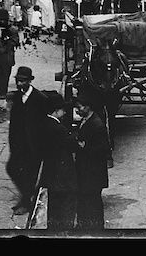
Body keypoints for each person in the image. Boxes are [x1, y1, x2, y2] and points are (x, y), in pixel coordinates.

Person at [6, 66, 49, 215]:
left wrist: (43, 146)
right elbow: (14, 122)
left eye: (23, 81)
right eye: (18, 81)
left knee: (30, 175)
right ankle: (27, 197)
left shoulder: (40, 99)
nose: (19, 84)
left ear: (30, 81)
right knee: (11, 168)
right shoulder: (16, 97)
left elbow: (45, 123)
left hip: (34, 145)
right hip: (19, 144)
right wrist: (12, 143)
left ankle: (26, 202)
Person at [40, 91, 78, 230]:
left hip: (51, 173)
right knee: (66, 204)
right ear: (56, 111)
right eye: (62, 109)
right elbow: (71, 144)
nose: (65, 112)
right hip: (62, 174)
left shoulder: (45, 123)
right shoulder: (58, 128)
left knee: (54, 206)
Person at [74, 92, 110, 230]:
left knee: (92, 200)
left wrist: (84, 147)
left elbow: (102, 149)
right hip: (86, 171)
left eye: (80, 107)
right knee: (84, 199)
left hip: (92, 173)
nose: (78, 110)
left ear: (88, 107)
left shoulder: (97, 125)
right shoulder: (87, 120)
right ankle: (83, 224)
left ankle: (96, 228)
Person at [0, 10, 20, 98]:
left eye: (4, 20)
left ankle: (3, 92)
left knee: (5, 74)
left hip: (6, 55)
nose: (2, 22)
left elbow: (15, 41)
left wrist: (6, 45)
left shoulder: (13, 30)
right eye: (1, 19)